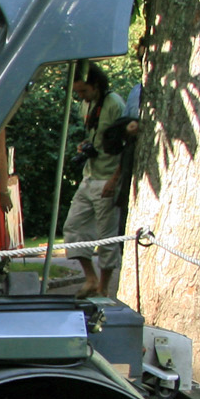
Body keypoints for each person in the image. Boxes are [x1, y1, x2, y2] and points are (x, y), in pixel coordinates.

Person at [62, 62, 127, 298]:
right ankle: (90, 278)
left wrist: (115, 179)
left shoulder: (115, 105)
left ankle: (104, 288)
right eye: (78, 93)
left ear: (96, 86)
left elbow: (127, 145)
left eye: (84, 91)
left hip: (107, 179)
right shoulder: (85, 106)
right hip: (89, 176)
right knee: (74, 228)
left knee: (107, 236)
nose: (81, 97)